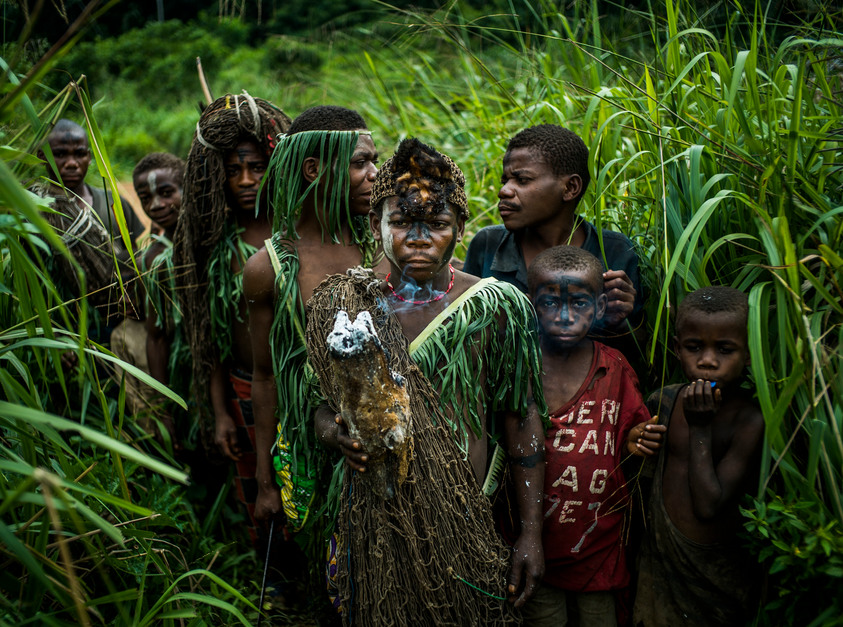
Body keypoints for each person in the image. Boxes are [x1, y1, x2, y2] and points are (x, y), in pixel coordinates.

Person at [307, 137, 547, 624]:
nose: (418, 239)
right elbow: (316, 406)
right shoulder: (342, 304)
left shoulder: (494, 308)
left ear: (460, 228)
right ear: (377, 225)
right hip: (372, 519)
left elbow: (520, 418)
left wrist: (530, 533)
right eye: (401, 223)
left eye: (436, 224)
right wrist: (336, 433)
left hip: (464, 518)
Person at [241, 105, 384, 609]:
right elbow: (265, 377)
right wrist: (265, 480)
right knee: (332, 586)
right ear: (314, 169)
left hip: (384, 450)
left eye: (375, 162)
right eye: (361, 163)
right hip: (307, 452)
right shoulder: (270, 268)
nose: (374, 176)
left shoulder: (382, 251)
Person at [170, 93, 292, 561]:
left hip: (299, 384)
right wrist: (221, 410)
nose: (245, 180)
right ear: (213, 173)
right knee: (256, 488)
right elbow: (210, 338)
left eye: (257, 167)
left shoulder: (295, 229)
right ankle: (273, 574)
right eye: (234, 168)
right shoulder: (211, 243)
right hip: (243, 387)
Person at [521, 245, 659, 626]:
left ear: (599, 307)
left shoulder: (613, 369)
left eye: (579, 304)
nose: (565, 316)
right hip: (537, 549)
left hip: (599, 551)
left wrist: (636, 444)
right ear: (531, 303)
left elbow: (634, 441)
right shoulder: (520, 367)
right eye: (550, 303)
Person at [632, 286, 764, 627]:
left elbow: (708, 506)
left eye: (725, 349)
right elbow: (635, 482)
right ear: (677, 349)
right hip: (657, 567)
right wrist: (635, 441)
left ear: (749, 353)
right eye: (694, 347)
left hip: (712, 581)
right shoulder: (663, 401)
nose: (707, 360)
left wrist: (700, 428)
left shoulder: (749, 421)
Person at [463, 124, 646, 368]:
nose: (504, 191)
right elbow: (465, 340)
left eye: (522, 180)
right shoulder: (487, 245)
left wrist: (621, 320)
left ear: (570, 188)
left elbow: (640, 358)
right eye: (505, 179)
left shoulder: (615, 252)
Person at [108, 152, 184, 443]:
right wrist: (165, 407)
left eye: (166, 193)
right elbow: (156, 335)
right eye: (146, 198)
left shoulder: (213, 238)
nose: (156, 205)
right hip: (179, 365)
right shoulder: (153, 259)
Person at [39, 118, 144, 252]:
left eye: (79, 154)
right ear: (42, 156)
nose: (71, 163)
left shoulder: (114, 204)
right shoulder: (34, 210)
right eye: (60, 154)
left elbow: (132, 259)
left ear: (88, 157)